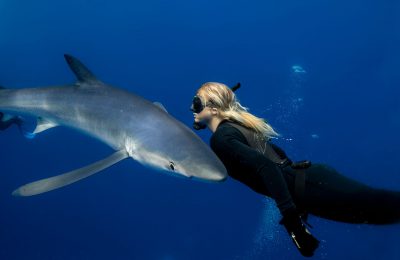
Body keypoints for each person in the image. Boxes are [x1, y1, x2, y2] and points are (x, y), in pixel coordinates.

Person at [190, 82, 400, 257]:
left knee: (384, 208)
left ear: (214, 109)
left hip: (311, 188)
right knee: (380, 214)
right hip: (311, 184)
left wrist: (293, 224)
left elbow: (267, 166)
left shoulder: (221, 138)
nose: (192, 108)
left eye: (197, 102)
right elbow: (279, 158)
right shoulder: (236, 128)